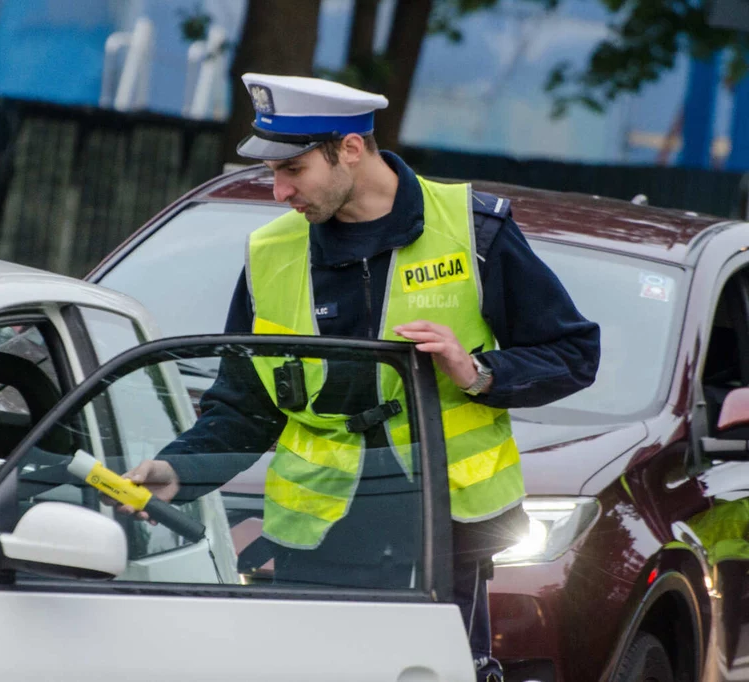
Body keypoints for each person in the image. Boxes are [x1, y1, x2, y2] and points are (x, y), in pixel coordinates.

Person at [119, 73, 600, 682]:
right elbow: (244, 405)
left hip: (444, 541)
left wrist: (477, 371)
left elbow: (574, 353)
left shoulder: (475, 231)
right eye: (272, 173)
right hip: (320, 546)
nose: (278, 191)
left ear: (349, 148)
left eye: (292, 169)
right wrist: (179, 468)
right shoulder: (271, 254)